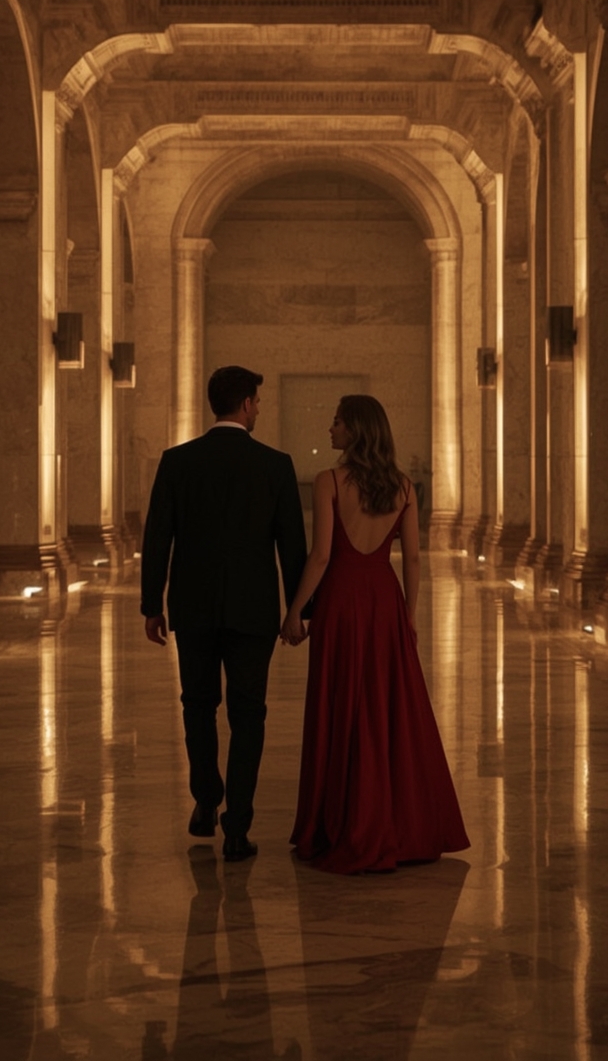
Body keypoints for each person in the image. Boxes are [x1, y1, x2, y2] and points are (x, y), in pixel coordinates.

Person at [280, 394, 469, 874]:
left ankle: (342, 820)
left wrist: (295, 611)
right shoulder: (403, 487)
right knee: (388, 709)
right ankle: (399, 822)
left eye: (338, 421)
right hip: (384, 602)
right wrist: (408, 615)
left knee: (341, 705)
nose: (330, 429)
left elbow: (321, 556)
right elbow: (415, 559)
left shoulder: (329, 482)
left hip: (342, 603)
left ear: (357, 430)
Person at [142, 365, 308, 862]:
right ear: (246, 405)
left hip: (192, 608)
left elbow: (157, 538)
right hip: (253, 612)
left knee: (197, 705)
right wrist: (300, 611)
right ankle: (236, 826)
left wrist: (153, 603)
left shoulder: (177, 462)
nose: (257, 409)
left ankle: (205, 799)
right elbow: (292, 549)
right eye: (256, 402)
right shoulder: (276, 466)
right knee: (247, 715)